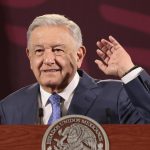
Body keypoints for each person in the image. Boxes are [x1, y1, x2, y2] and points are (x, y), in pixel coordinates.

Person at [0, 14, 150, 125]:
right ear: (29, 57)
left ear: (79, 55)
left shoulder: (117, 96)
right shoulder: (9, 108)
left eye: (57, 50)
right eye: (39, 51)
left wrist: (128, 71)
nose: (48, 59)